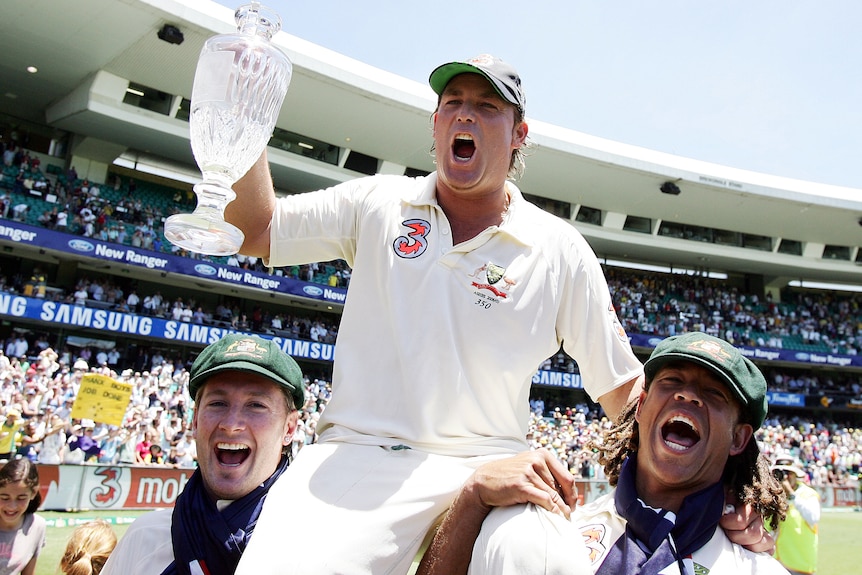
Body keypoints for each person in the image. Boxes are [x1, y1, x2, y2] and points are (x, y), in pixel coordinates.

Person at [225, 54, 644, 574]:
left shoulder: (559, 248)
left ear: (518, 134)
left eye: (487, 107)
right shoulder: (379, 201)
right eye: (453, 104)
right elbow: (254, 231)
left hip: (493, 459)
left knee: (538, 557)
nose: (465, 115)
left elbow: (623, 389)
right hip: (359, 452)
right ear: (436, 124)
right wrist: (245, 115)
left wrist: (716, 482)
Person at [418, 332, 788, 575]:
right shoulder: (552, 525)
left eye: (714, 394)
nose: (688, 395)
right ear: (640, 407)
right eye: (672, 381)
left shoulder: (754, 568)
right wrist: (473, 496)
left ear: (739, 439)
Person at [101, 334, 304, 575]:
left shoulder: (315, 549)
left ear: (289, 428)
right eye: (218, 403)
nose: (231, 424)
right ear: (195, 419)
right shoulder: (144, 538)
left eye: (256, 405)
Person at [771, 458, 820, 575]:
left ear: (795, 474)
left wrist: (792, 495)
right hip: (775, 561)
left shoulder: (808, 494)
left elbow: (813, 518)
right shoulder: (773, 495)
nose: (785, 477)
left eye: (788, 473)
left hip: (799, 563)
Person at [0, 458, 46, 575]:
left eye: (21, 498)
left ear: (33, 493)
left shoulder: (37, 526)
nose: (11, 506)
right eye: (4, 498)